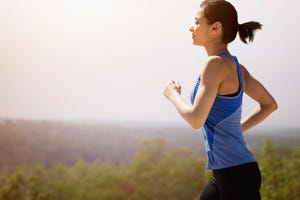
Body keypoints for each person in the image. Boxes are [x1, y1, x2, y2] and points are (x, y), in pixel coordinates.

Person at [163, 0, 278, 199]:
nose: (192, 27)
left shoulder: (214, 64)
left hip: (236, 176)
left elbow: (195, 119)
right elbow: (270, 105)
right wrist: (237, 129)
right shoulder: (237, 68)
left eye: (197, 22)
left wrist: (173, 95)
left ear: (215, 28)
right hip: (228, 173)